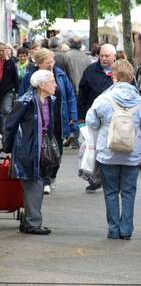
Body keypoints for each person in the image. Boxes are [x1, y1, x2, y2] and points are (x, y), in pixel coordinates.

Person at [86, 60, 141, 240]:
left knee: (110, 192)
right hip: (132, 154)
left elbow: (91, 121)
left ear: (114, 76)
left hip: (108, 154)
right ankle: (126, 230)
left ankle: (113, 229)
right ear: (132, 78)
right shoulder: (140, 102)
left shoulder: (104, 99)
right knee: (129, 192)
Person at [4, 70, 57, 235]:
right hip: (27, 150)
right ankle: (33, 223)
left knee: (37, 184)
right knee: (34, 185)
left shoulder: (50, 100)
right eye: (52, 81)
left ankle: (29, 222)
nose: (55, 85)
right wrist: (8, 148)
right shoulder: (26, 101)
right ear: (41, 85)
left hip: (43, 150)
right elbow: (10, 125)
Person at [19, 48, 78, 194]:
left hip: (58, 117)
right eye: (48, 61)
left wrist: (73, 117)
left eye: (53, 60)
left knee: (56, 148)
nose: (52, 63)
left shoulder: (60, 74)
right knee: (40, 148)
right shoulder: (30, 77)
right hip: (38, 119)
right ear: (39, 63)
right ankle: (43, 178)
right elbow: (22, 98)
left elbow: (70, 96)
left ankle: (52, 174)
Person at [78, 43, 116, 192]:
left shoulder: (120, 70)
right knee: (92, 149)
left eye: (107, 56)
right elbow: (82, 95)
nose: (104, 59)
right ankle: (94, 178)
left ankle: (106, 178)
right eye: (102, 56)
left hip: (113, 120)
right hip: (92, 118)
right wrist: (81, 118)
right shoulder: (90, 71)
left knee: (108, 150)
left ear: (114, 56)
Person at [0, 42, 19, 141]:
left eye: (3, 50)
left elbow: (15, 76)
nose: (2, 52)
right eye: (0, 50)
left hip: (8, 90)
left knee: (6, 111)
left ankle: (6, 137)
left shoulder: (10, 62)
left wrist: (17, 91)